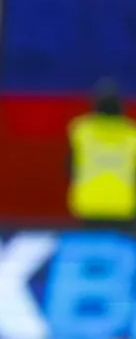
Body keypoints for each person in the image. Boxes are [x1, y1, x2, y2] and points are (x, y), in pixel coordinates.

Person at [67, 78, 136, 229]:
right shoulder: (132, 134)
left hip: (88, 205)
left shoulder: (81, 131)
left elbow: (69, 168)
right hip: (123, 206)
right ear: (121, 107)